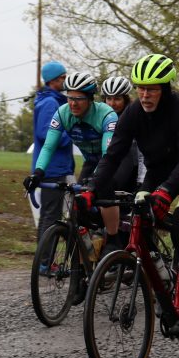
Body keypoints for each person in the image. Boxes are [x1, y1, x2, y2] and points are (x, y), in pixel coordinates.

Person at [86, 53, 179, 336]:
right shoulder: (132, 114)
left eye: (152, 89)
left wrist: (167, 192)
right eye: (140, 88)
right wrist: (93, 189)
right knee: (140, 217)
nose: (145, 95)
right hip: (157, 170)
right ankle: (164, 278)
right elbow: (114, 154)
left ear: (165, 89)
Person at [25, 71, 123, 262]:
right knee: (79, 205)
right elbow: (48, 146)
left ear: (90, 98)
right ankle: (84, 256)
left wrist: (97, 182)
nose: (73, 104)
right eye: (69, 98)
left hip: (112, 160)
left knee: (104, 187)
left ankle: (113, 239)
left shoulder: (106, 115)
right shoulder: (62, 113)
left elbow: (108, 156)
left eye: (78, 99)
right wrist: (38, 173)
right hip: (91, 161)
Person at [29, 61, 74, 239]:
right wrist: (71, 134)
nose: (65, 80)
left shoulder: (53, 100)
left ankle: (43, 262)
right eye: (63, 77)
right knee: (51, 217)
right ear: (53, 80)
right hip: (52, 168)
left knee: (49, 216)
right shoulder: (49, 103)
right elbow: (45, 133)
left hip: (55, 167)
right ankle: (45, 264)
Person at [101, 75, 145, 191]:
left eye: (117, 99)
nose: (112, 103)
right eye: (109, 98)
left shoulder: (133, 116)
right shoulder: (101, 117)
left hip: (131, 167)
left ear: (125, 99)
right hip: (108, 163)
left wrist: (141, 179)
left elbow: (142, 153)